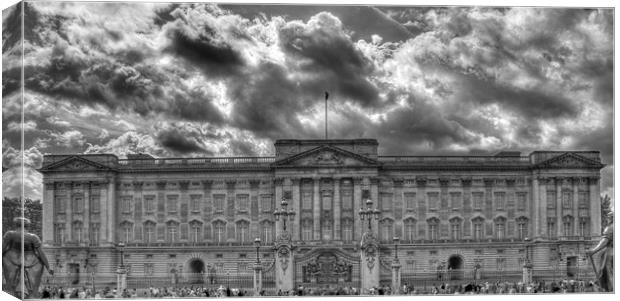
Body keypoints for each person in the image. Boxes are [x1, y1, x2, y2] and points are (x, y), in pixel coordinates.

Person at [2, 217, 54, 298]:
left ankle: (10, 292)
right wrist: (48, 267)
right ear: (27, 226)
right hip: (30, 262)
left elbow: (3, 248)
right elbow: (41, 254)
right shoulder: (33, 237)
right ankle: (31, 293)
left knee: (10, 286)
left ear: (16, 225)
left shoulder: (10, 234)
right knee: (33, 289)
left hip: (11, 259)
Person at [586, 211, 614, 292]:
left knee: (606, 271)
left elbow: (605, 241)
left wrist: (594, 250)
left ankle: (611, 290)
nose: (607, 219)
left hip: (611, 251)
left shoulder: (611, 227)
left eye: (608, 217)